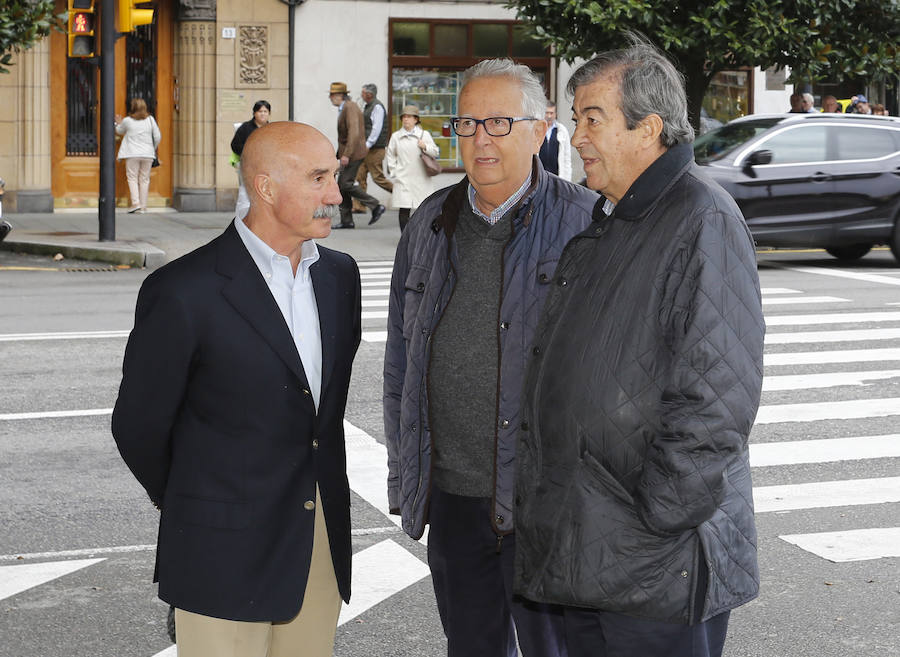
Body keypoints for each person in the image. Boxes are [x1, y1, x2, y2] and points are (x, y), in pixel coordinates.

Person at [513, 38, 765, 657]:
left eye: (592, 119)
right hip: (595, 546)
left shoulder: (701, 216)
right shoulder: (617, 217)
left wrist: (658, 517)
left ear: (648, 128)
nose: (576, 138)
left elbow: (717, 395)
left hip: (652, 558)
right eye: (576, 121)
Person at [112, 121, 362, 657]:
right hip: (218, 548)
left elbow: (322, 412)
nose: (335, 195)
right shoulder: (183, 291)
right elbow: (138, 427)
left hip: (317, 544)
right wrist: (200, 501)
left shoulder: (339, 276)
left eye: (334, 177)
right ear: (267, 187)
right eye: (318, 178)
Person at [383, 58, 599, 657]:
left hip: (547, 502)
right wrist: (409, 476)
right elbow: (402, 360)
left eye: (499, 123)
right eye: (467, 124)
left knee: (554, 649)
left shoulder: (585, 224)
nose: (480, 139)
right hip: (454, 498)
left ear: (539, 129)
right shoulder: (430, 223)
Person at [329, 82, 386, 229]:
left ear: (340, 96)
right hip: (350, 152)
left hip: (354, 153)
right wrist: (338, 155)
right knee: (342, 186)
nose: (330, 98)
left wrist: (346, 154)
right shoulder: (345, 107)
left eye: (332, 95)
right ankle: (347, 220)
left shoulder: (350, 107)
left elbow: (354, 133)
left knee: (345, 184)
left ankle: (375, 205)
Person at [383, 104, 440, 232]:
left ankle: (420, 235)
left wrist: (425, 146)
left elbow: (435, 152)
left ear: (416, 119)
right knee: (404, 208)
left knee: (422, 208)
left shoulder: (424, 135)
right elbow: (390, 154)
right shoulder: (396, 136)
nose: (406, 119)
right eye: (404, 117)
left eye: (409, 117)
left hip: (421, 178)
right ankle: (405, 236)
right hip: (403, 178)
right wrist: (394, 171)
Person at [352, 83, 394, 213]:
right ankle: (359, 206)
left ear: (369, 95)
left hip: (375, 149)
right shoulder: (368, 106)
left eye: (363, 93)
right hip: (367, 148)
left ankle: (403, 195)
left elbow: (376, 128)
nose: (361, 95)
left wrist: (368, 145)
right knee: (360, 176)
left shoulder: (377, 107)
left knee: (378, 178)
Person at [115, 98, 161, 214]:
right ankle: (144, 206)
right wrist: (152, 148)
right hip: (148, 154)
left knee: (132, 178)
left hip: (132, 154)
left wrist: (117, 123)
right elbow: (157, 137)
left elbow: (119, 131)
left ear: (132, 107)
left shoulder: (128, 121)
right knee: (145, 179)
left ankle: (136, 203)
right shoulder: (150, 120)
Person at [231, 99, 271, 220]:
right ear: (254, 113)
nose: (263, 114)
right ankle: (241, 219)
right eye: (260, 111)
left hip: (266, 166)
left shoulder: (271, 129)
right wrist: (249, 153)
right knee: (245, 193)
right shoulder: (245, 128)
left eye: (265, 111)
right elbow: (235, 145)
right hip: (248, 165)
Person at [538, 101, 572, 180]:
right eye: (547, 113)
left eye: (551, 113)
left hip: (556, 176)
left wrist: (567, 180)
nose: (549, 116)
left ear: (555, 114)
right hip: (540, 176)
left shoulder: (562, 130)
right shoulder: (537, 130)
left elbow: (567, 158)